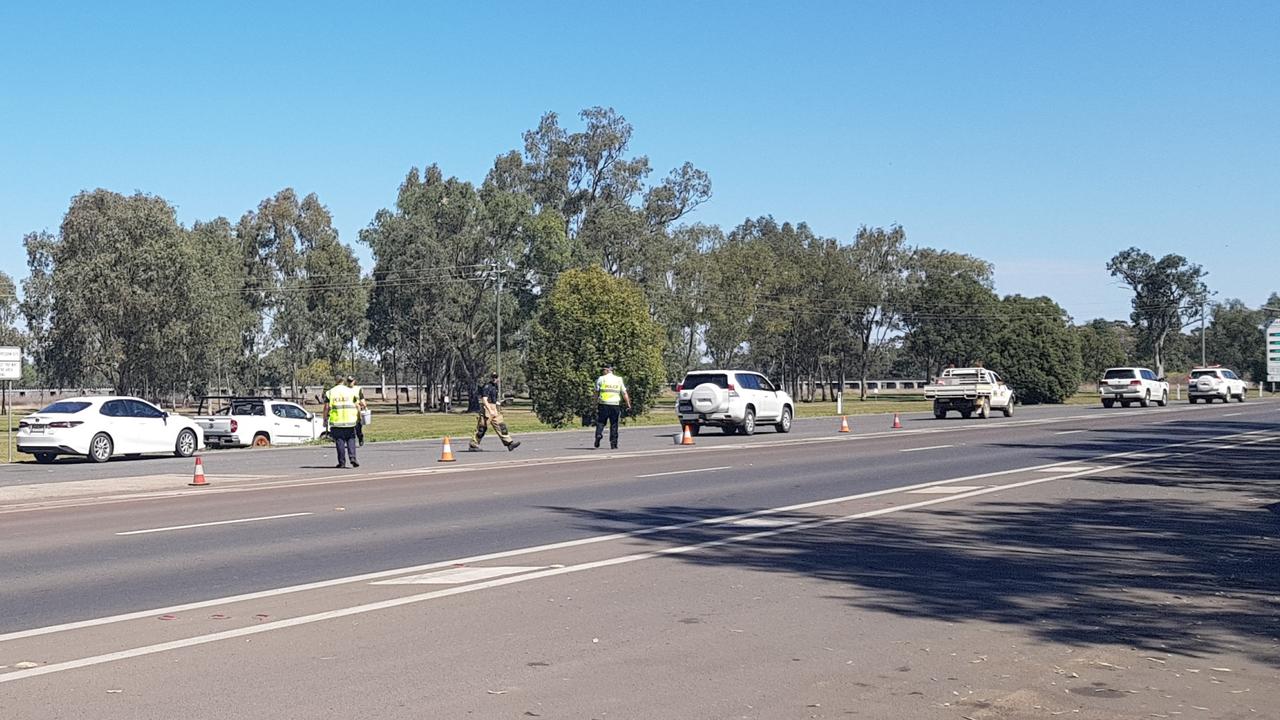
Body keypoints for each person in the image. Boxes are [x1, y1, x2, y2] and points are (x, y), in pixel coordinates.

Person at [469, 373, 520, 452]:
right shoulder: (487, 386)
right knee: (482, 428)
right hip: (487, 408)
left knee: (501, 426)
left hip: (494, 408)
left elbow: (494, 400)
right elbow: (484, 400)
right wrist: (490, 410)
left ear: (498, 378)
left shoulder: (495, 387)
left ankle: (509, 443)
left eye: (496, 377)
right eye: (493, 377)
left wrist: (501, 404)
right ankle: (473, 445)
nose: (494, 379)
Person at [323, 375, 361, 468]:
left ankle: (342, 462)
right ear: (343, 381)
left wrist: (325, 419)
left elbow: (326, 407)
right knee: (351, 439)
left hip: (337, 422)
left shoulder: (330, 392)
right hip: (350, 420)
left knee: (340, 441)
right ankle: (353, 458)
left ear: (335, 381)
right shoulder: (351, 391)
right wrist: (359, 417)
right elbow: (357, 406)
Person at [594, 363, 632, 450]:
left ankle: (598, 434)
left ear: (608, 370)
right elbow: (624, 393)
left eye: (603, 370)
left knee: (601, 422)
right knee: (614, 424)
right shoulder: (619, 379)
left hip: (603, 404)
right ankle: (613, 444)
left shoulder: (601, 379)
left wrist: (594, 403)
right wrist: (628, 404)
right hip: (615, 404)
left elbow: (596, 392)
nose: (603, 372)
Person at [346, 375, 368, 446]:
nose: (350, 383)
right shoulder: (344, 390)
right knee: (349, 429)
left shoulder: (358, 389)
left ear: (354, 381)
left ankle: (360, 437)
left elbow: (363, 401)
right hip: (348, 412)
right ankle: (351, 442)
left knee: (358, 428)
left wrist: (364, 405)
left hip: (357, 411)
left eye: (351, 381)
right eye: (348, 381)